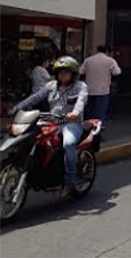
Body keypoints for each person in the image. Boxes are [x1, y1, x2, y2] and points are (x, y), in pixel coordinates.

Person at [12, 56, 88, 198]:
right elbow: (35, 97)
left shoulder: (81, 86)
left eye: (66, 72)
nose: (63, 75)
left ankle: (69, 182)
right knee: (29, 139)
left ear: (73, 74)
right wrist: (17, 107)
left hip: (71, 122)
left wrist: (75, 113)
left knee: (68, 143)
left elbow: (81, 102)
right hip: (51, 121)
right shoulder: (51, 85)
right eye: (60, 72)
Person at [79, 45, 121, 122]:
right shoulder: (110, 60)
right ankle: (98, 125)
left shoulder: (88, 60)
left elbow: (81, 71)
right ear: (107, 52)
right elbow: (117, 72)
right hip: (103, 89)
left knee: (89, 110)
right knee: (100, 110)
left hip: (89, 89)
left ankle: (87, 125)